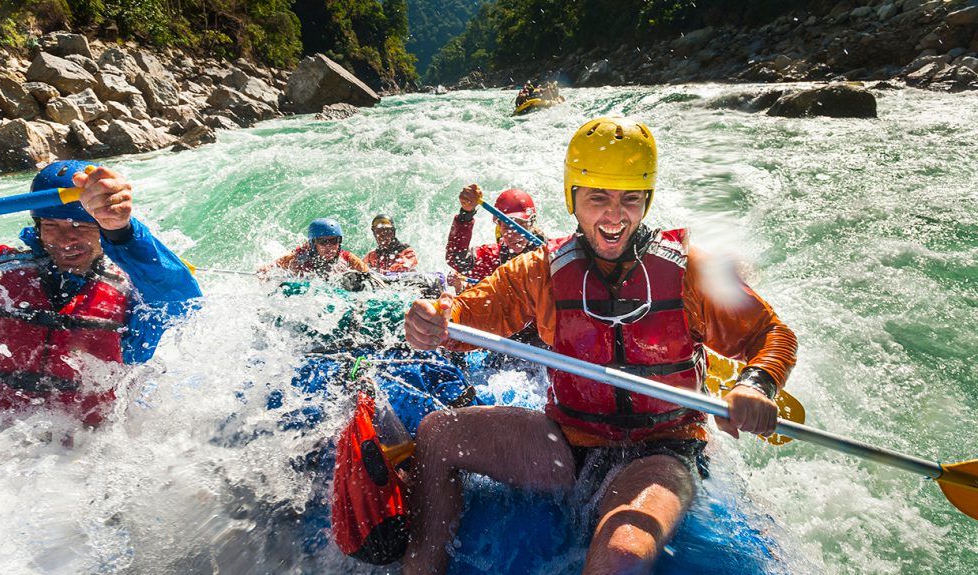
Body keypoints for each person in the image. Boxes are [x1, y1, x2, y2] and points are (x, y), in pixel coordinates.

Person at [403, 117, 797, 574]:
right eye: (598, 198)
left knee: (621, 556)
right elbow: (467, 314)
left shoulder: (690, 270)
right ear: (574, 200)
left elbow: (772, 334)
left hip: (660, 448)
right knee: (438, 434)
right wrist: (435, 319)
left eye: (630, 198)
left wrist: (756, 384)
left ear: (646, 201)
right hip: (567, 442)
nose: (614, 215)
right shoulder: (540, 269)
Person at [0, 160, 202, 432]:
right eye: (52, 224)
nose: (65, 240)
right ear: (37, 225)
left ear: (103, 229)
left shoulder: (133, 294)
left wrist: (122, 231)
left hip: (87, 453)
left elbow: (182, 302)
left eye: (81, 226)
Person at [445, 186, 545, 287]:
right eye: (507, 227)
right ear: (500, 228)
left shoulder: (547, 253)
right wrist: (466, 214)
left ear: (531, 224)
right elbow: (456, 259)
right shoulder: (495, 258)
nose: (514, 235)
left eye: (520, 226)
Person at [265, 218, 369, 279]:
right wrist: (266, 271)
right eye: (323, 242)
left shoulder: (347, 258)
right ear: (313, 244)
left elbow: (370, 275)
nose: (329, 247)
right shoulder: (299, 255)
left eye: (334, 241)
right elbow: (272, 267)